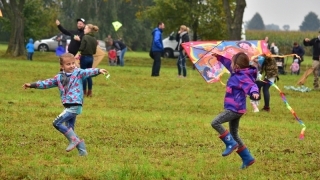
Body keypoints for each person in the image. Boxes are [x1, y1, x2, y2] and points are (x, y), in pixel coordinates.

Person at [22, 53, 107, 156]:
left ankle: (74, 141)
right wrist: (32, 85)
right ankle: (83, 152)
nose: (71, 66)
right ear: (62, 66)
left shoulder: (78, 73)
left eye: (73, 63)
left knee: (56, 123)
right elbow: (46, 83)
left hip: (75, 105)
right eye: (68, 64)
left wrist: (98, 71)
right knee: (70, 129)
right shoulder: (58, 78)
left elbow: (87, 72)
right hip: (68, 106)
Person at [211, 52, 259, 169]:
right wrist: (219, 57)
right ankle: (248, 158)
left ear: (237, 66)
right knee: (234, 134)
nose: (230, 65)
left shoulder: (243, 76)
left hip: (234, 109)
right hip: (237, 109)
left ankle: (230, 143)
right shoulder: (235, 72)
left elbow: (252, 85)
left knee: (215, 122)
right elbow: (227, 63)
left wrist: (255, 92)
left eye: (232, 63)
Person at [75, 24, 99, 97]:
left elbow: (81, 47)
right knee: (89, 75)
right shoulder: (94, 39)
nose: (84, 30)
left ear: (89, 30)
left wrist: (78, 53)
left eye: (85, 28)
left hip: (84, 57)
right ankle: (90, 92)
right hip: (91, 58)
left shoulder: (85, 37)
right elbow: (94, 51)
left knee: (83, 75)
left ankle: (84, 92)